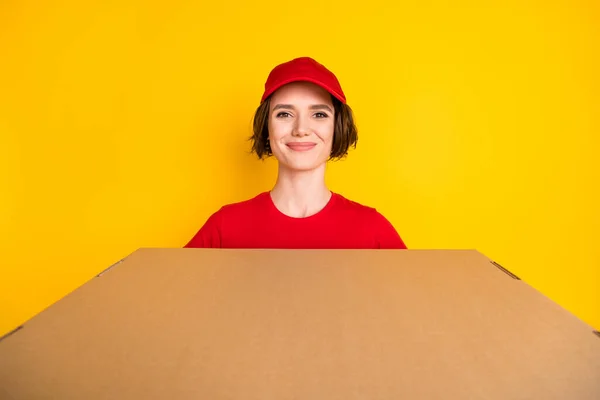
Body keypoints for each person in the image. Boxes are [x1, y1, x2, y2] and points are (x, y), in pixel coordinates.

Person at [185, 57, 407, 249]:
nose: (301, 129)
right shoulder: (225, 228)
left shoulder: (373, 231)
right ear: (266, 127)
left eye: (319, 114)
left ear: (338, 126)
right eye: (284, 114)